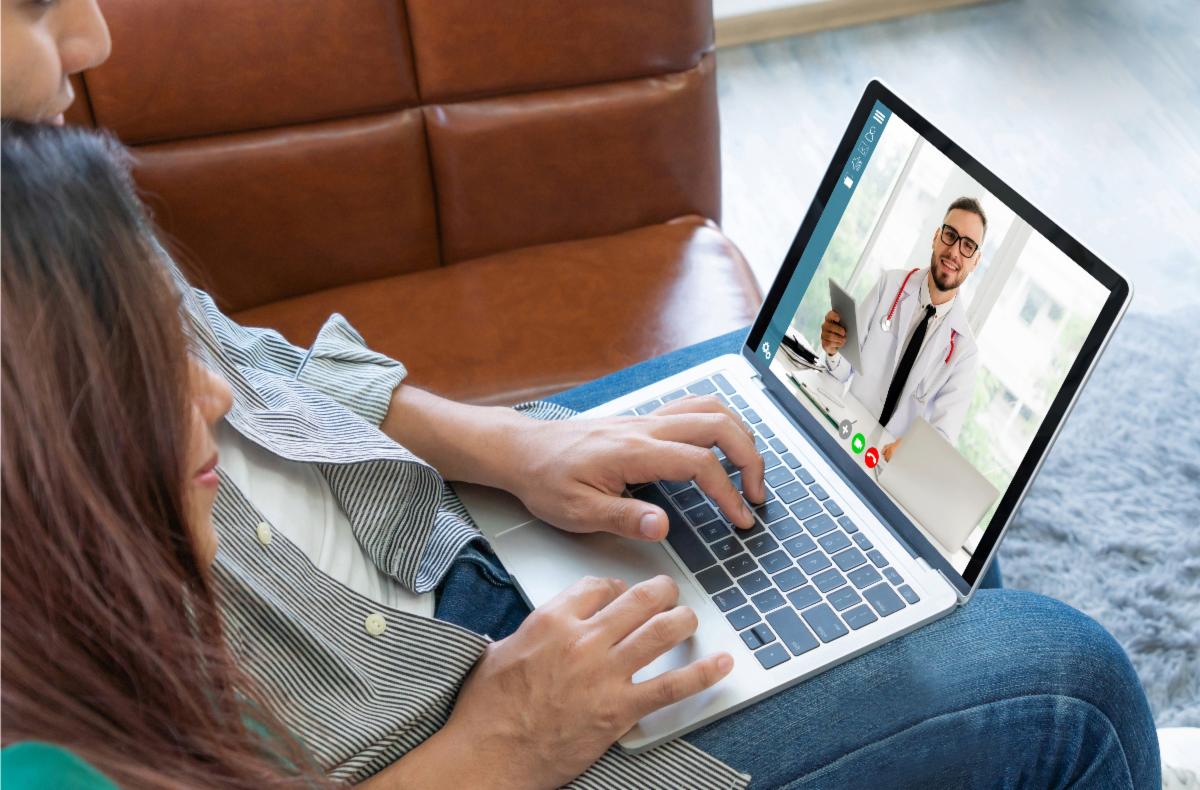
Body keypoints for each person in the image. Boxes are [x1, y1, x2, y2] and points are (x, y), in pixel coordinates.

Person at [0, 5, 1162, 787]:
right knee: (1080, 686)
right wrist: (493, 745)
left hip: (421, 520)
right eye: (37, 2)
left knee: (897, 537)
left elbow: (243, 363)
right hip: (453, 733)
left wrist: (512, 446)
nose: (97, 36)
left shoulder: (38, 191)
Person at [821, 199, 985, 461]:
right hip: (844, 433)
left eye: (967, 246)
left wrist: (910, 450)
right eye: (950, 235)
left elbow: (941, 436)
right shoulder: (890, 285)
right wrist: (832, 350)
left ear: (975, 261)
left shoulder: (965, 352)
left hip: (886, 465)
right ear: (935, 237)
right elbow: (842, 369)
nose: (955, 252)